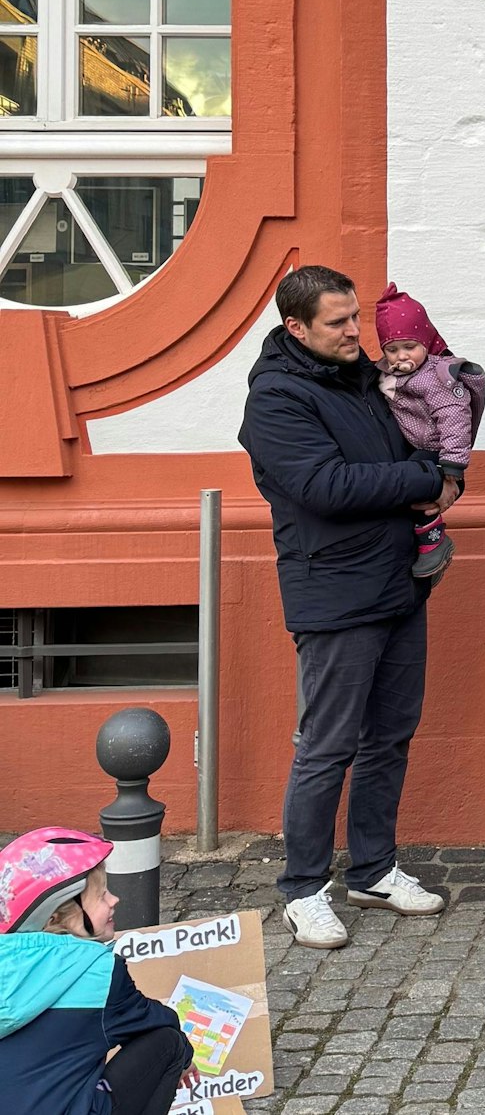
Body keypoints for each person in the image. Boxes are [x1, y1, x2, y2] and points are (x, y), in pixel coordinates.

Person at [238, 265, 453, 950]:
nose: (354, 333)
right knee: (326, 746)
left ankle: (374, 869)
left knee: (390, 735)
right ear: (295, 327)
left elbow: (408, 446)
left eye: (356, 318)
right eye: (337, 322)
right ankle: (303, 888)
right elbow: (324, 486)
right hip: (332, 593)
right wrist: (426, 477)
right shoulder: (276, 399)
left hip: (396, 582)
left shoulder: (363, 378)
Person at [0, 828, 197, 1115]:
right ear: (55, 917)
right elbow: (155, 1020)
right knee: (170, 1043)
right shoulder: (98, 971)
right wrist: (186, 1058)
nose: (113, 900)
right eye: (101, 895)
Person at [372, 283, 485, 579]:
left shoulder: (436, 377)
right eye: (392, 349)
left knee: (411, 487)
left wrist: (452, 467)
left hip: (435, 448)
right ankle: (424, 546)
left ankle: (433, 542)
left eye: (409, 347)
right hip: (413, 444)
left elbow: (454, 418)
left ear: (426, 341)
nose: (401, 356)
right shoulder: (388, 374)